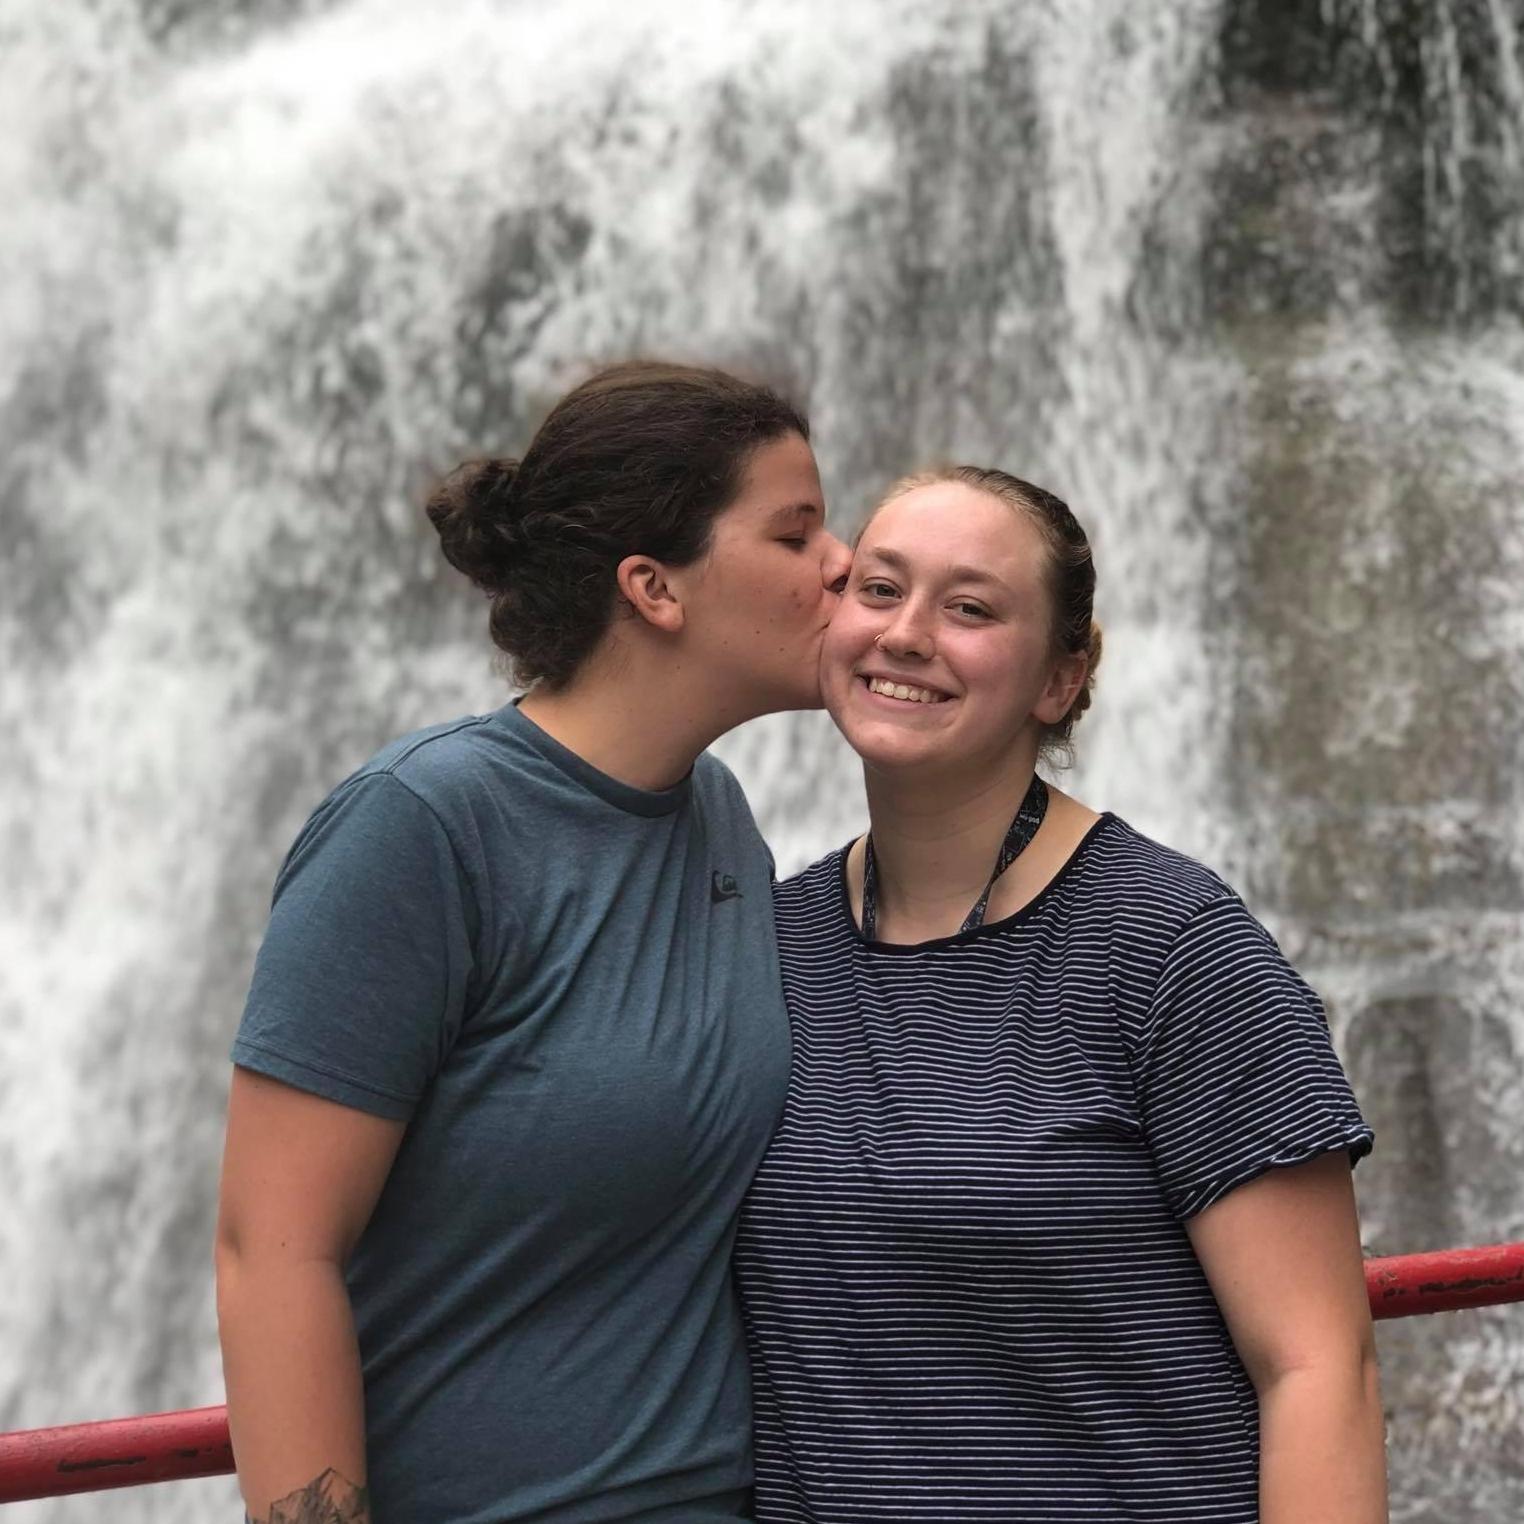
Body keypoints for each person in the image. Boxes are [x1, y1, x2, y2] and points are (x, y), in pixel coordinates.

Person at [215, 360, 852, 1524]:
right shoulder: (422, 824)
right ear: (655, 587)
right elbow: (271, 1252)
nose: (845, 563)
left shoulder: (718, 818)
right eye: (796, 531)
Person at [735, 465, 1387, 1523]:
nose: (907, 634)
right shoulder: (766, 938)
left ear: (1060, 676)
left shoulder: (1174, 946)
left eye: (971, 609)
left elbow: (1319, 1371)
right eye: (881, 588)